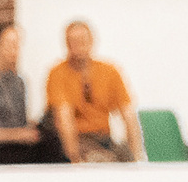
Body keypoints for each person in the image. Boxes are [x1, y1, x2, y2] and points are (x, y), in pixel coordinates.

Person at [43, 20, 144, 164]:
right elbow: (64, 119)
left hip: (104, 139)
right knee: (98, 160)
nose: (78, 45)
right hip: (78, 140)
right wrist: (75, 158)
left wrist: (137, 157)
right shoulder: (58, 73)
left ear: (91, 41)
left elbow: (128, 114)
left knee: (124, 157)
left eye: (82, 40)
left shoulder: (109, 71)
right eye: (73, 41)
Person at [0, 23, 61, 164]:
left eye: (18, 45)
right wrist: (16, 135)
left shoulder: (18, 82)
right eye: (10, 44)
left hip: (16, 145)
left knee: (52, 141)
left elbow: (20, 121)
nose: (15, 50)